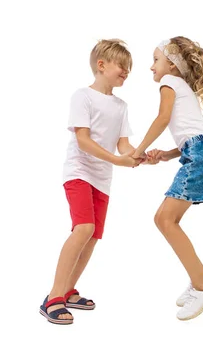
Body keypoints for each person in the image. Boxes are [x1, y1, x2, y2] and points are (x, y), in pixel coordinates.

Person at [40, 39, 144, 325]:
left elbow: (123, 144)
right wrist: (117, 159)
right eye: (123, 66)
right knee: (83, 228)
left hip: (103, 179)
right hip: (79, 172)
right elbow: (83, 141)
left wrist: (136, 155)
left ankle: (69, 290)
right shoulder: (82, 96)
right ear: (102, 65)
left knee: (93, 236)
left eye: (130, 68)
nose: (127, 71)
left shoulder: (121, 105)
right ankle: (53, 297)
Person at [133, 36, 203, 320]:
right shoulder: (182, 86)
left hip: (201, 154)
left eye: (156, 60)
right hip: (202, 151)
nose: (151, 67)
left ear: (172, 65)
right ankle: (201, 277)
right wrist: (167, 154)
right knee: (165, 218)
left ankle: (202, 284)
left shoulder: (170, 83)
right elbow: (194, 134)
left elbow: (163, 119)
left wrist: (139, 150)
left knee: (165, 219)